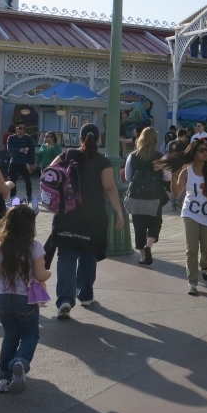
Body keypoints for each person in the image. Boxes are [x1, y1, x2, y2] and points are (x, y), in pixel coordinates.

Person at [52, 124, 124, 317]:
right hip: (93, 216)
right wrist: (119, 211)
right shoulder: (103, 161)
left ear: (80, 139)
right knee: (88, 254)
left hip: (68, 213)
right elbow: (109, 187)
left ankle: (65, 299)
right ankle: (85, 295)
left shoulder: (68, 155)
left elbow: (50, 172)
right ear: (98, 139)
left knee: (66, 256)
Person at [0, 205, 51, 393]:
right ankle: (20, 362)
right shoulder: (34, 247)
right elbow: (40, 274)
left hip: (1, 299)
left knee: (10, 337)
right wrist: (49, 272)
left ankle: (3, 380)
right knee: (30, 335)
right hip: (25, 299)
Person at [160, 141, 207, 295]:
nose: (205, 152)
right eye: (201, 150)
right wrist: (173, 176)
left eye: (206, 150)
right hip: (190, 213)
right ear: (194, 153)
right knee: (191, 250)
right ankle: (192, 282)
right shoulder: (187, 172)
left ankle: (203, 265)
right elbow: (177, 193)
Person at [124, 127, 167, 266]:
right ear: (155, 140)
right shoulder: (160, 156)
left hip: (136, 195)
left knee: (139, 225)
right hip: (154, 195)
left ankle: (143, 256)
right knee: (155, 222)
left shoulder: (133, 155)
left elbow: (127, 177)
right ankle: (149, 246)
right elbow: (167, 177)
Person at [6, 124, 36, 203]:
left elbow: (32, 151)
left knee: (27, 181)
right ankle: (13, 198)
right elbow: (9, 149)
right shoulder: (11, 138)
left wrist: (31, 163)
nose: (22, 130)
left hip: (25, 163)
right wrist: (19, 150)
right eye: (20, 128)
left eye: (24, 128)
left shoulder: (28, 138)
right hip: (14, 162)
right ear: (16, 129)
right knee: (12, 181)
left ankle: (29, 197)